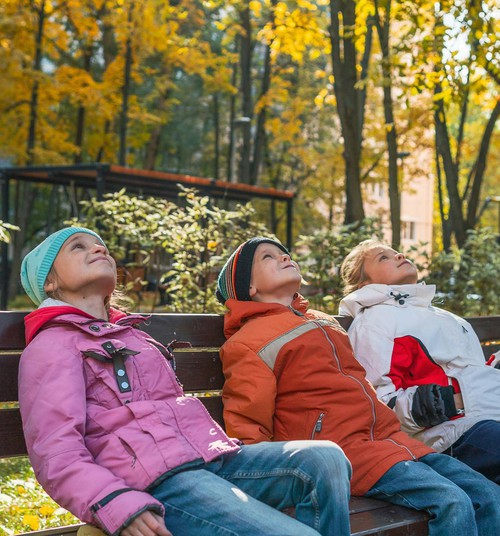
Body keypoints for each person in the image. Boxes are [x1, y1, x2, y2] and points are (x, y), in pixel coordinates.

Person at [18, 227, 353, 536]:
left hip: (210, 463)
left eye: (101, 246)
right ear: (49, 283)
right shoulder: (53, 346)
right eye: (78, 247)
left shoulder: (134, 338)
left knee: (325, 459)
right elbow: (56, 453)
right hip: (157, 484)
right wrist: (114, 502)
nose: (96, 248)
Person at [216, 236, 500, 536]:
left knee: (487, 496)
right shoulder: (249, 342)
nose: (285, 257)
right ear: (249, 288)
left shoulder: (322, 322)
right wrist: (271, 483)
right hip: (346, 453)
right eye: (268, 257)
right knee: (452, 501)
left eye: (285, 253)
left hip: (391, 442)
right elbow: (248, 424)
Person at [339, 238, 500, 484]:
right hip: (446, 437)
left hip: (484, 420)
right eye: (383, 257)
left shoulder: (448, 318)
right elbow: (379, 403)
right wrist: (448, 402)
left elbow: (467, 372)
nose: (399, 255)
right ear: (365, 283)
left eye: (396, 252)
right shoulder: (374, 322)